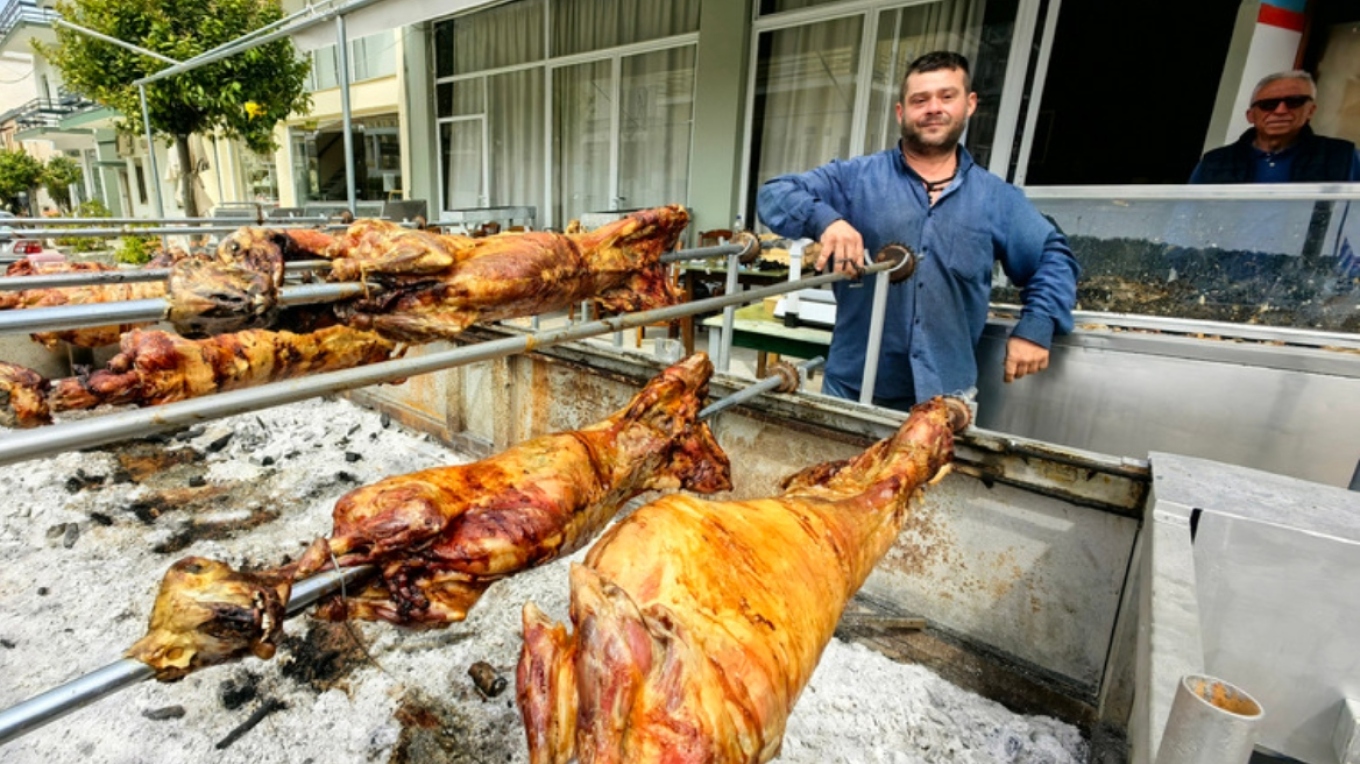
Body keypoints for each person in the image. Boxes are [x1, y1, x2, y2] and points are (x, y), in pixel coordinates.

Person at [756, 51, 1078, 411]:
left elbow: (1053, 257)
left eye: (946, 96)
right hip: (855, 388)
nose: (933, 108)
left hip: (945, 400)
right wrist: (826, 221)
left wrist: (1036, 326)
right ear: (901, 112)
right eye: (920, 100)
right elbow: (774, 194)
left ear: (969, 104)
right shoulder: (855, 179)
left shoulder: (996, 200)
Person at [1190, 70, 1360, 183]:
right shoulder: (1215, 161)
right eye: (1268, 104)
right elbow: (1186, 218)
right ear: (1250, 116)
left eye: (1294, 102)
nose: (1280, 110)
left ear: (1310, 110)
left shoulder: (1343, 156)